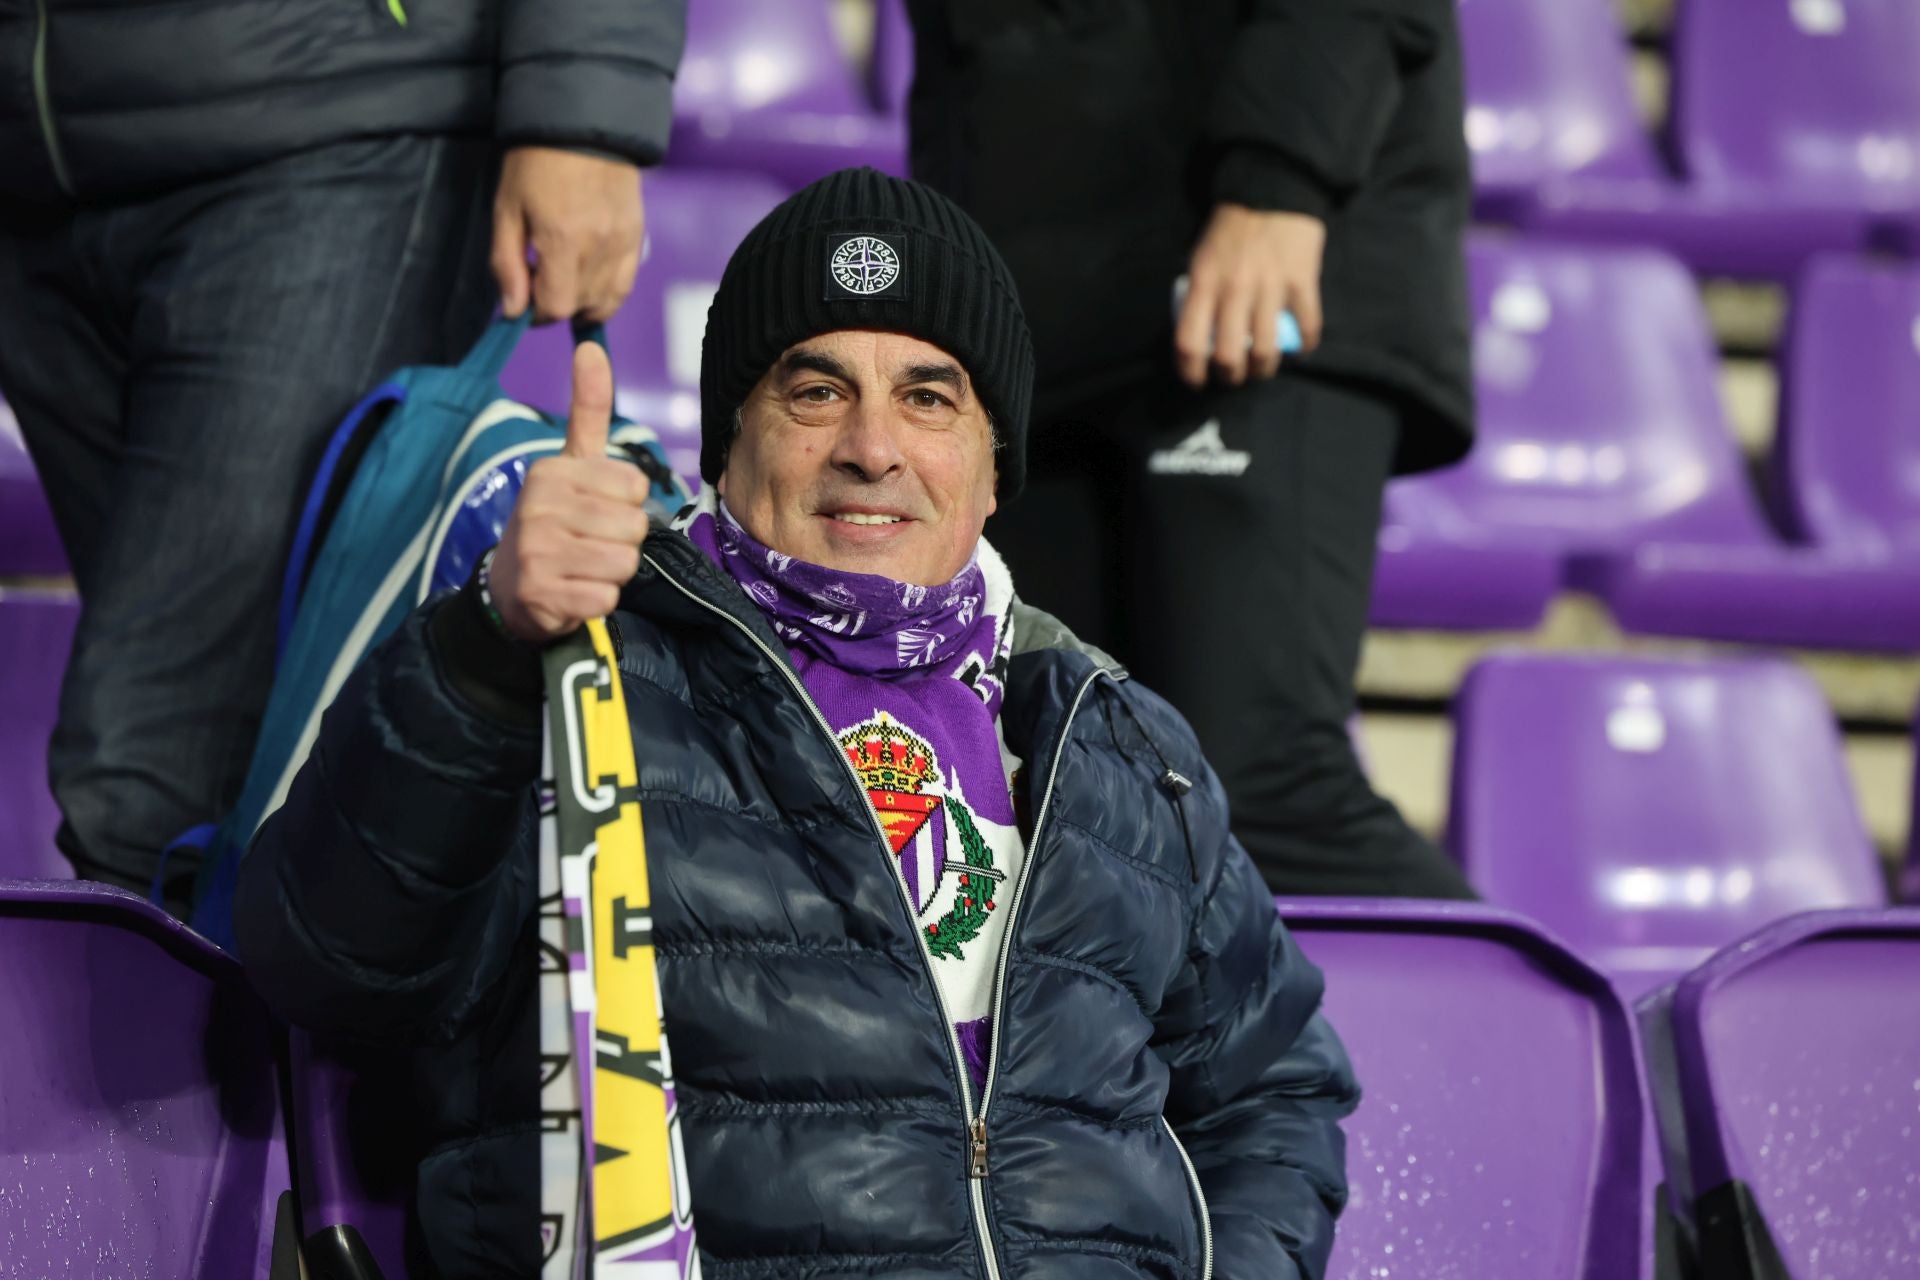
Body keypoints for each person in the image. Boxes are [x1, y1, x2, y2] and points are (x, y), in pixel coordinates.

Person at [237, 169, 1356, 1278]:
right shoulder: (574, 679)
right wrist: (486, 639)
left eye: (928, 397)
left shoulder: (1118, 742)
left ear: (991, 468)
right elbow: (329, 963)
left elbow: (1276, 1091)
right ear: (730, 444)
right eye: (815, 392)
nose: (873, 446)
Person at [0, 0, 685, 914]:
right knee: (206, 761)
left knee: (155, 776)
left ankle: (160, 1055)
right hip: (32, 158)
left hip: (332, 113)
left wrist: (587, 110)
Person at [904, 0, 1478, 899]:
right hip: (1033, 303)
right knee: (1067, 809)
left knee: (1260, 799)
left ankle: (1540, 1032)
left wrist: (1279, 180)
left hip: (1244, 271)